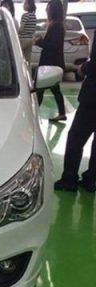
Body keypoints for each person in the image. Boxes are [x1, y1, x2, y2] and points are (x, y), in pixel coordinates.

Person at [54, 40, 96, 192]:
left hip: (93, 98)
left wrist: (83, 68)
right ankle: (91, 180)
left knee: (75, 138)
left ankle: (69, 179)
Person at [35, 0, 67, 121]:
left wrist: (40, 42)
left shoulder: (57, 26)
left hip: (51, 64)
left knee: (40, 89)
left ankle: (33, 114)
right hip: (52, 63)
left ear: (53, 10)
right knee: (54, 89)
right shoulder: (55, 25)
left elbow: (54, 46)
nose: (46, 10)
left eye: (48, 8)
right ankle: (62, 113)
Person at [19, 0, 37, 64]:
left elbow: (21, 28)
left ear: (29, 5)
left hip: (23, 39)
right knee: (27, 59)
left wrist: (16, 33)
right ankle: (28, 70)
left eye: (25, 3)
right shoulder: (34, 16)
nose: (23, 5)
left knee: (18, 56)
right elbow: (34, 29)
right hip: (30, 39)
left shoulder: (25, 15)